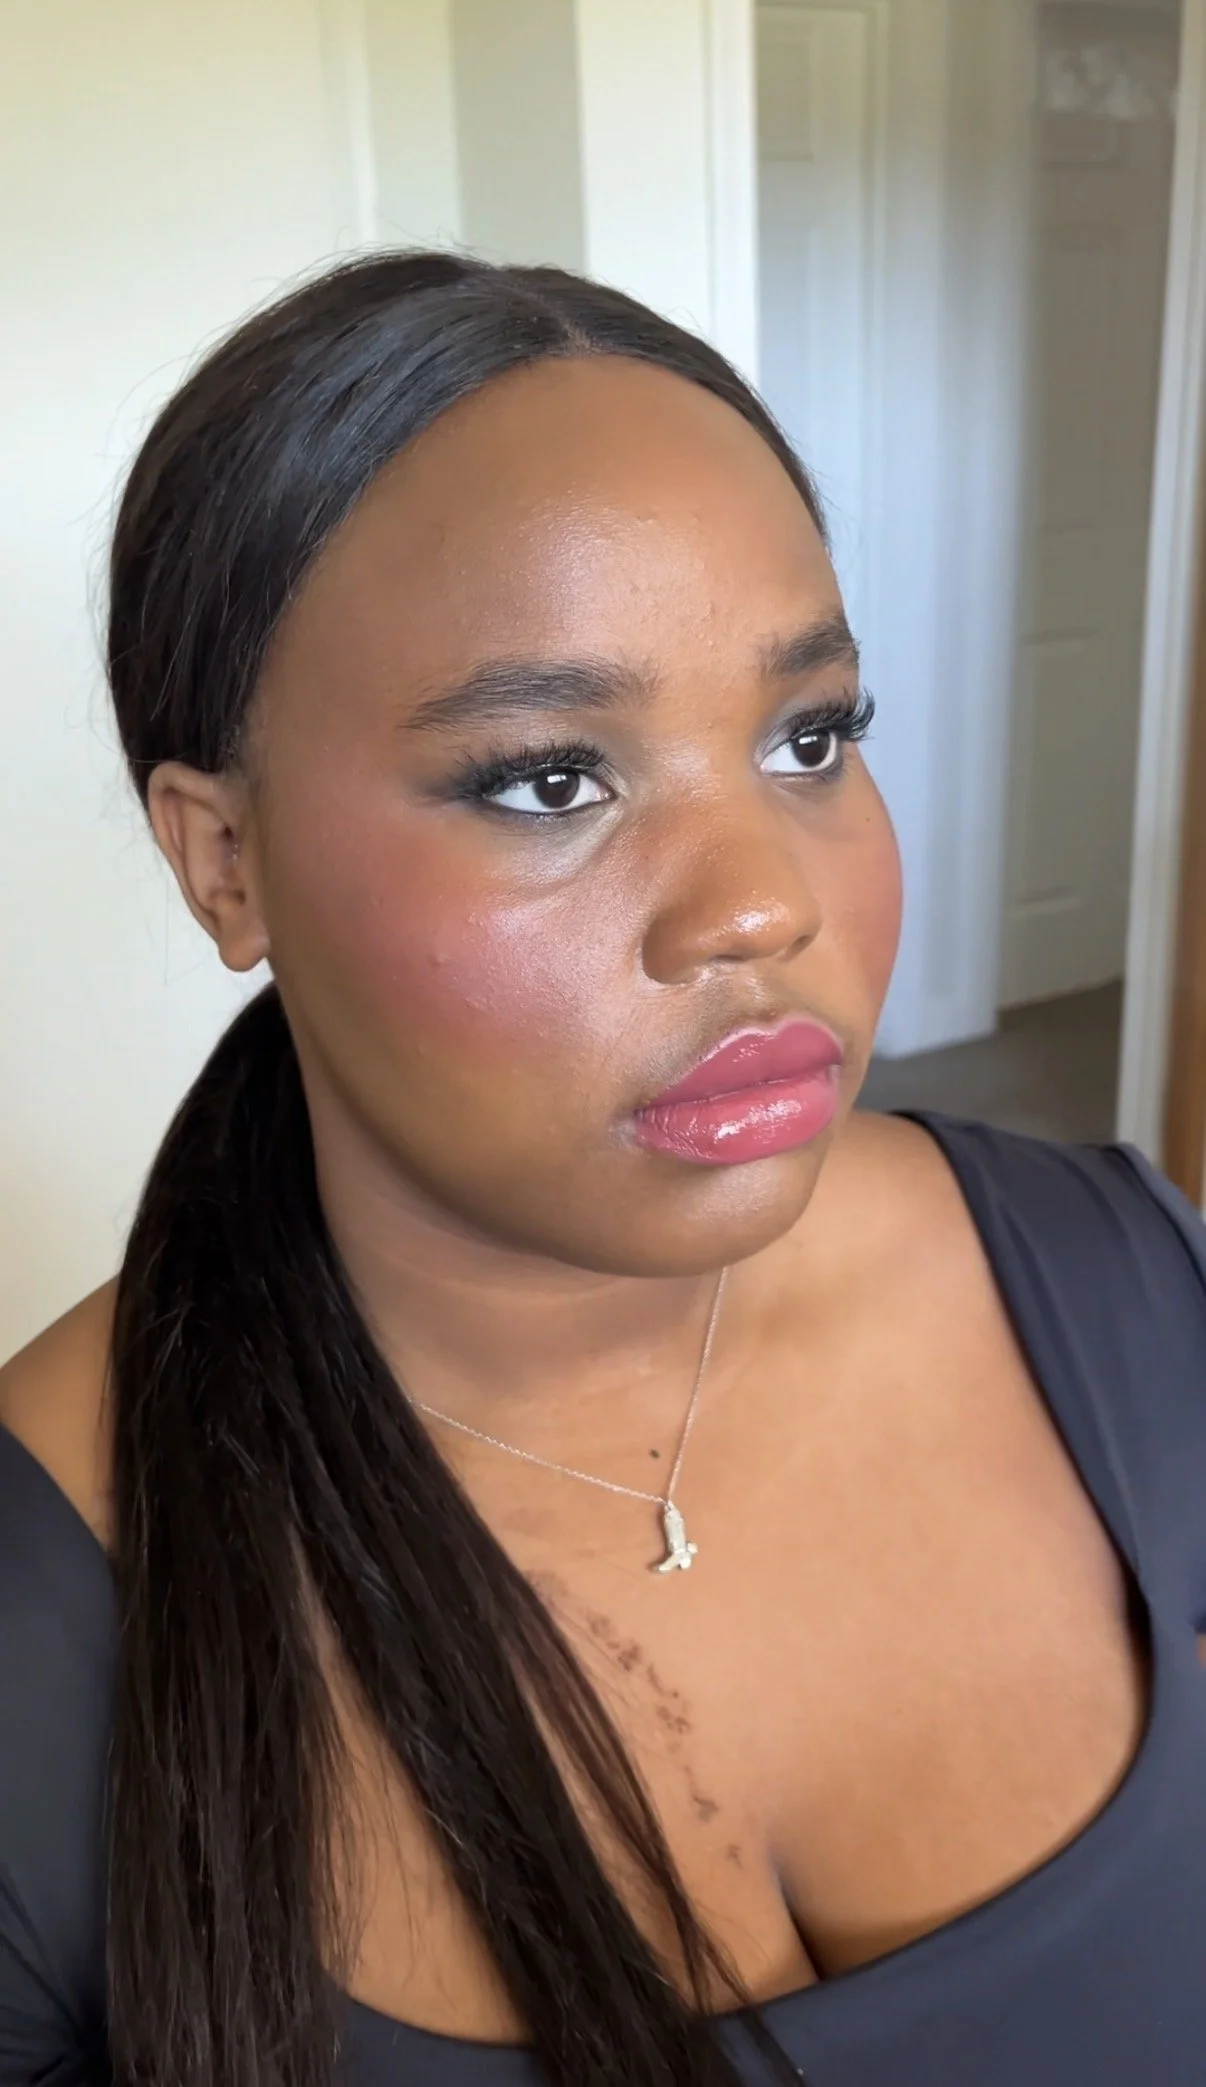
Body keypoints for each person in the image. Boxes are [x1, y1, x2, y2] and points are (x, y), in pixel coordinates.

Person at [1, 251, 1204, 2087]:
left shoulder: (1131, 1284)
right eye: (549, 777)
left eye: (812, 736)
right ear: (222, 858)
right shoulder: (46, 1634)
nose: (761, 900)